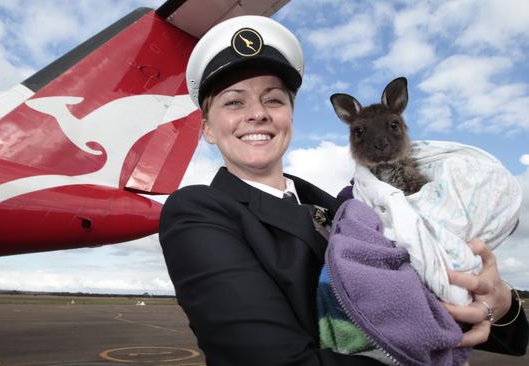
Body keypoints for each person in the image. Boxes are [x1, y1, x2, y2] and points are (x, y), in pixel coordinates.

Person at [159, 15, 528, 365]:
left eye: (273, 99)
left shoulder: (352, 205)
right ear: (207, 128)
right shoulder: (198, 212)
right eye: (234, 101)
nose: (257, 113)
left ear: (289, 115)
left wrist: (498, 301)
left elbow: (506, 339)